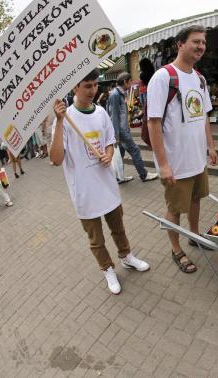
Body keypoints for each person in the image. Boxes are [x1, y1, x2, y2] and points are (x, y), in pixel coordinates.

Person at [50, 69, 150, 294]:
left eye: (95, 85)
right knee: (96, 238)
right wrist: (58, 121)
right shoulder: (65, 119)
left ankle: (126, 256)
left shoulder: (102, 113)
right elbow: (56, 159)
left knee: (118, 227)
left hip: (106, 185)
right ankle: (107, 268)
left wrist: (107, 152)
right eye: (87, 86)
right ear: (75, 87)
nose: (93, 91)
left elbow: (109, 140)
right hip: (84, 191)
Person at [147, 25, 218, 274]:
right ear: (180, 44)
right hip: (176, 160)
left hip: (197, 157)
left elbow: (205, 116)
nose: (200, 46)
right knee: (176, 207)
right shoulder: (163, 77)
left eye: (203, 43)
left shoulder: (200, 79)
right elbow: (153, 122)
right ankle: (176, 249)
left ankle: (194, 234)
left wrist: (210, 146)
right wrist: (163, 164)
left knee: (197, 199)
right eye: (195, 41)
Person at [107, 72, 158, 183]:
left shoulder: (120, 94)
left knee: (120, 153)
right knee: (135, 150)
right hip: (120, 131)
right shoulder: (115, 95)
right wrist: (116, 135)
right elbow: (113, 116)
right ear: (125, 81)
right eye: (130, 81)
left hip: (122, 129)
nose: (131, 84)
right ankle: (143, 174)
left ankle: (118, 177)